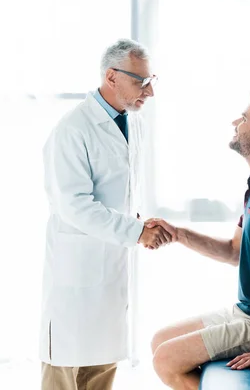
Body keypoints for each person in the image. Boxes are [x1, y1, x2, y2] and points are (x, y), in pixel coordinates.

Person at [148, 92, 250, 390]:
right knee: (160, 341)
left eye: (244, 118)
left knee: (166, 360)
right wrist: (178, 233)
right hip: (248, 311)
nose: (235, 123)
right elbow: (233, 251)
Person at [40, 38, 171, 390]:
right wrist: (135, 231)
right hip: (77, 270)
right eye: (141, 82)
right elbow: (74, 205)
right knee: (65, 373)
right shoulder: (73, 129)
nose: (150, 92)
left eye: (151, 81)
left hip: (110, 267)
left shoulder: (132, 122)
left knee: (101, 371)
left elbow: (122, 192)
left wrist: (140, 224)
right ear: (111, 76)